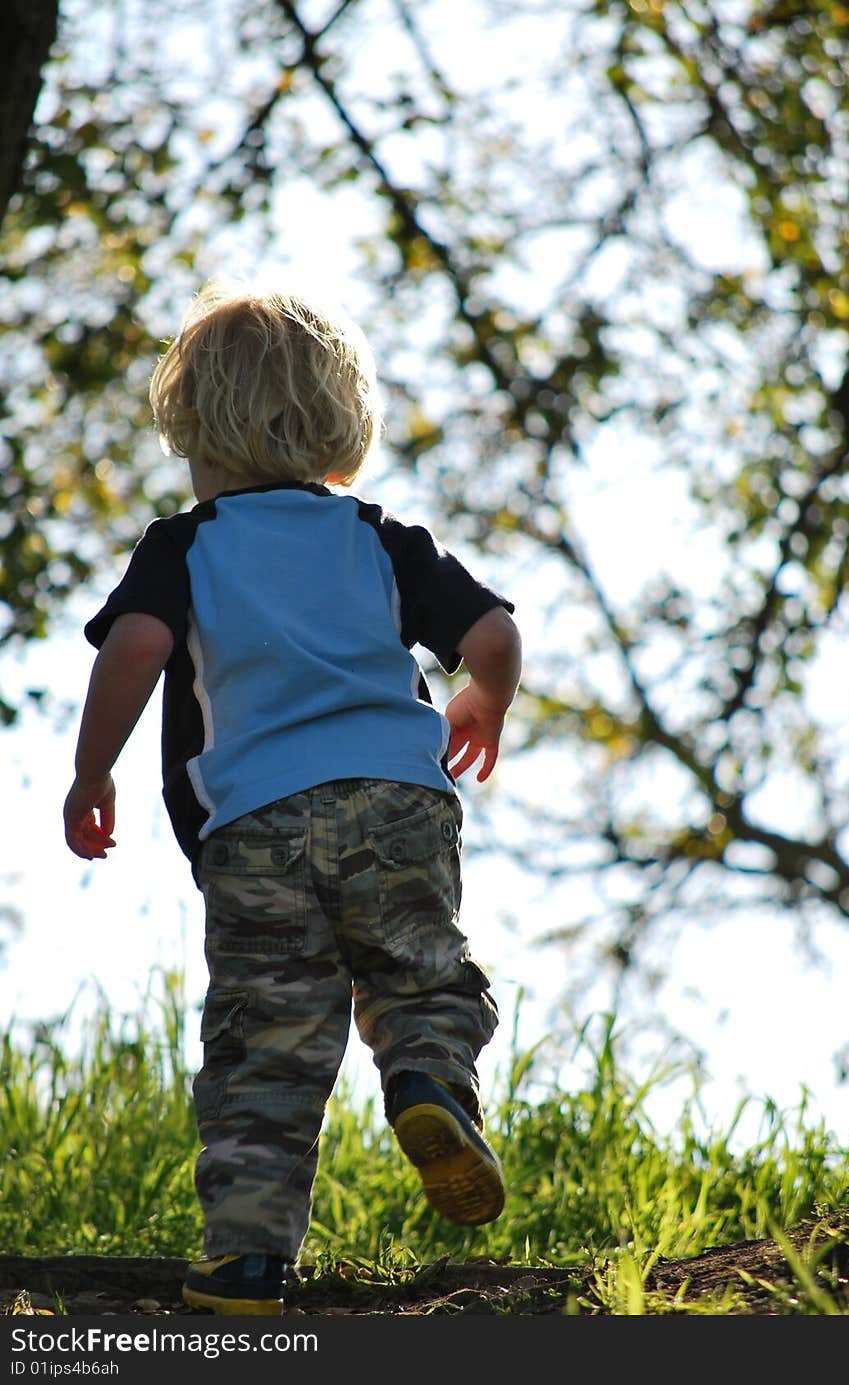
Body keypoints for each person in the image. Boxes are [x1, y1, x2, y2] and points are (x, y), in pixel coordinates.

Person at [62, 281, 522, 1317]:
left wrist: (92, 771)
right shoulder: (378, 535)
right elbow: (488, 632)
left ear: (195, 428)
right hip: (398, 801)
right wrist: (482, 699)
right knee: (419, 975)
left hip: (257, 825)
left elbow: (137, 646)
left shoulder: (184, 544)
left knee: (266, 1041)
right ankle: (429, 1080)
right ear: (338, 424)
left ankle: (245, 1260)